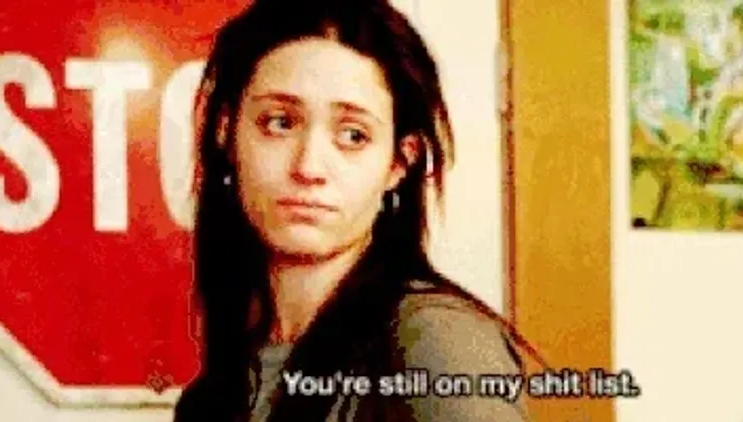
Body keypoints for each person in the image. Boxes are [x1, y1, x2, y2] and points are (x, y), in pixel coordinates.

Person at [173, 1, 539, 421]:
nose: (309, 167)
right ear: (226, 132)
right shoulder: (221, 387)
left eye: (353, 135)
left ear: (399, 162)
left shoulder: (436, 342)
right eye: (280, 123)